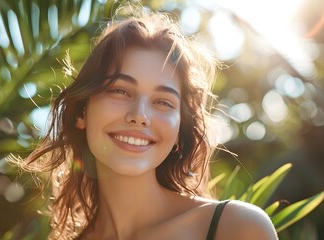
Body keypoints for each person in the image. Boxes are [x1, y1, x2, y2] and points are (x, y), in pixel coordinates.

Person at [16, 7, 278, 240]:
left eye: (163, 102)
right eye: (120, 91)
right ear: (81, 113)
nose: (140, 115)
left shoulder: (236, 227)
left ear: (178, 131)